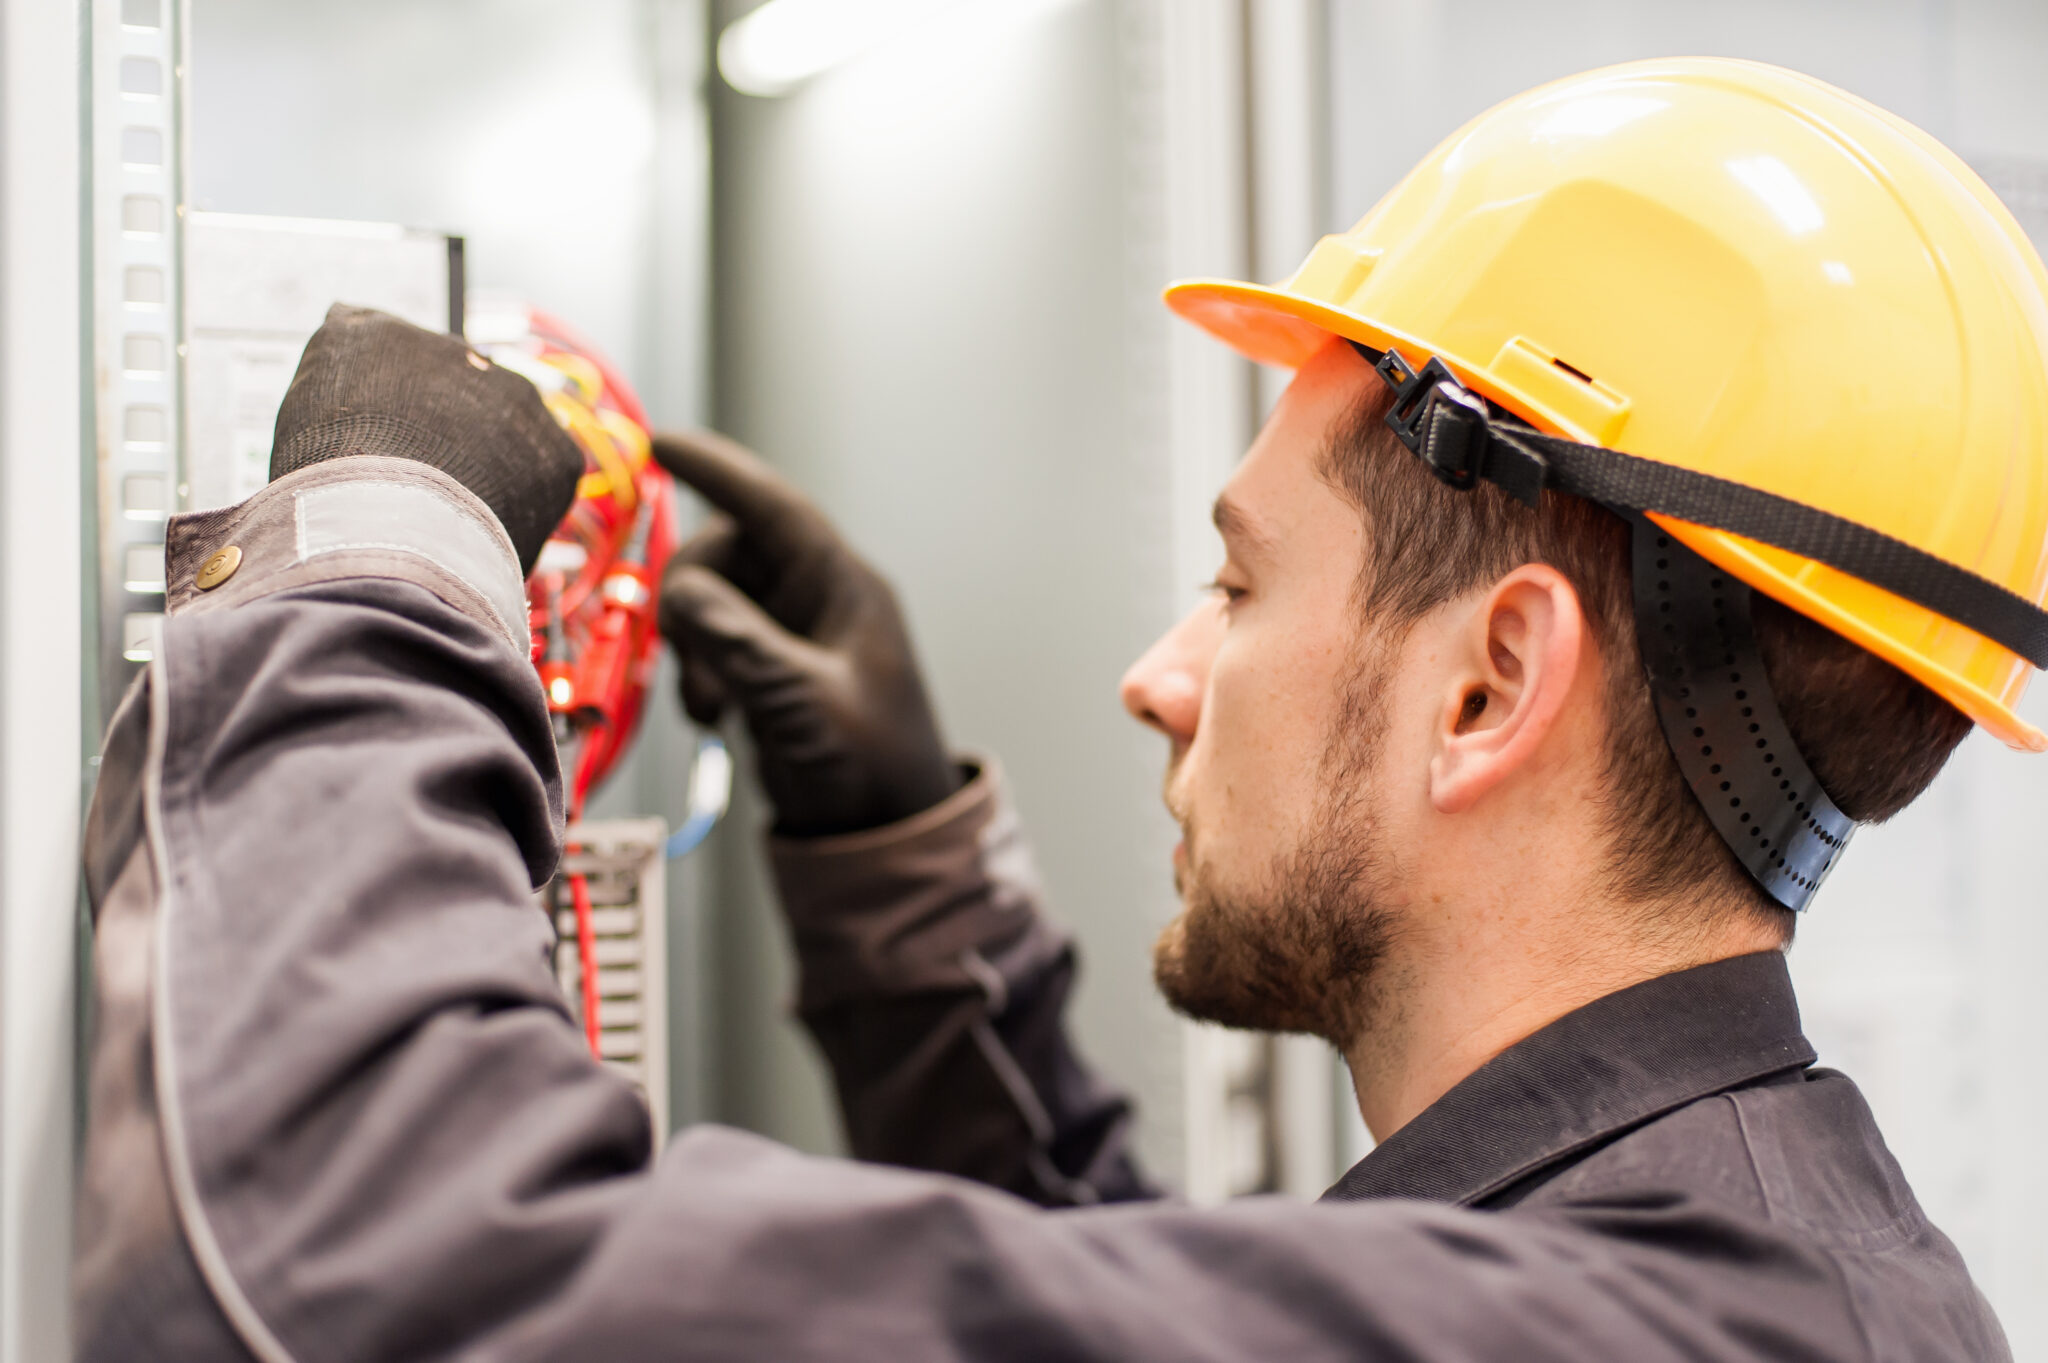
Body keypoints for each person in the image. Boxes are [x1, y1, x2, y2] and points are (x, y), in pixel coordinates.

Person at [71, 57, 2040, 1361]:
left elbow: (353, 1269)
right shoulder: (1722, 1262)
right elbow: (1123, 1299)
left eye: (1241, 583)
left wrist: (370, 566)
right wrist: (894, 857)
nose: (1156, 678)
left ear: (1490, 682)